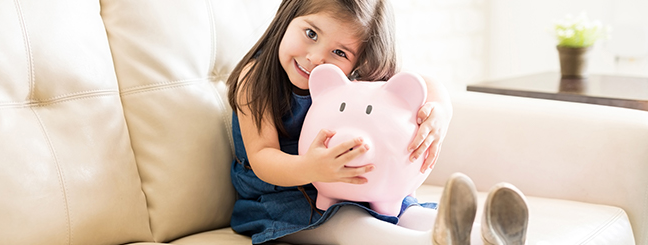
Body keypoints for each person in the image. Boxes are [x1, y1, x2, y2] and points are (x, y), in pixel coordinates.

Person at [226, 0, 528, 244]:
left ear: (360, 61)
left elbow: (424, 82)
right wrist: (313, 168)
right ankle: (429, 242)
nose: (316, 58)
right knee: (348, 220)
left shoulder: (353, 77)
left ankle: (486, 234)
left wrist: (440, 112)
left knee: (404, 210)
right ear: (287, 15)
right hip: (282, 194)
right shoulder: (254, 80)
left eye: (339, 52)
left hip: (353, 185)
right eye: (311, 34)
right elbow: (263, 158)